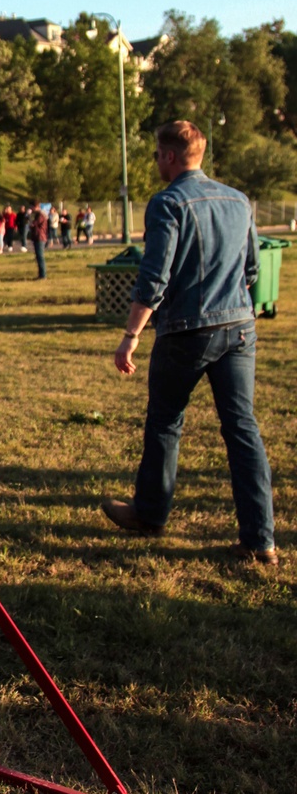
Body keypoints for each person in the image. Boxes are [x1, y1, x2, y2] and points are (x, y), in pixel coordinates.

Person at [101, 120, 276, 564]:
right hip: (238, 325)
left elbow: (154, 276)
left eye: (158, 154)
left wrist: (131, 335)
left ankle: (151, 513)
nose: (157, 161)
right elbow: (251, 269)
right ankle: (261, 540)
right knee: (242, 429)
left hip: (187, 330)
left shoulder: (167, 204)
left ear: (171, 157)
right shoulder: (239, 201)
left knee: (165, 421)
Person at [28, 203, 49, 279]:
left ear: (36, 207)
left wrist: (30, 218)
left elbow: (34, 224)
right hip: (37, 237)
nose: (31, 209)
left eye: (32, 207)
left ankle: (43, 275)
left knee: (40, 256)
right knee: (38, 256)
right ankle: (41, 274)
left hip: (40, 237)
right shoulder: (39, 215)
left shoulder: (40, 215)